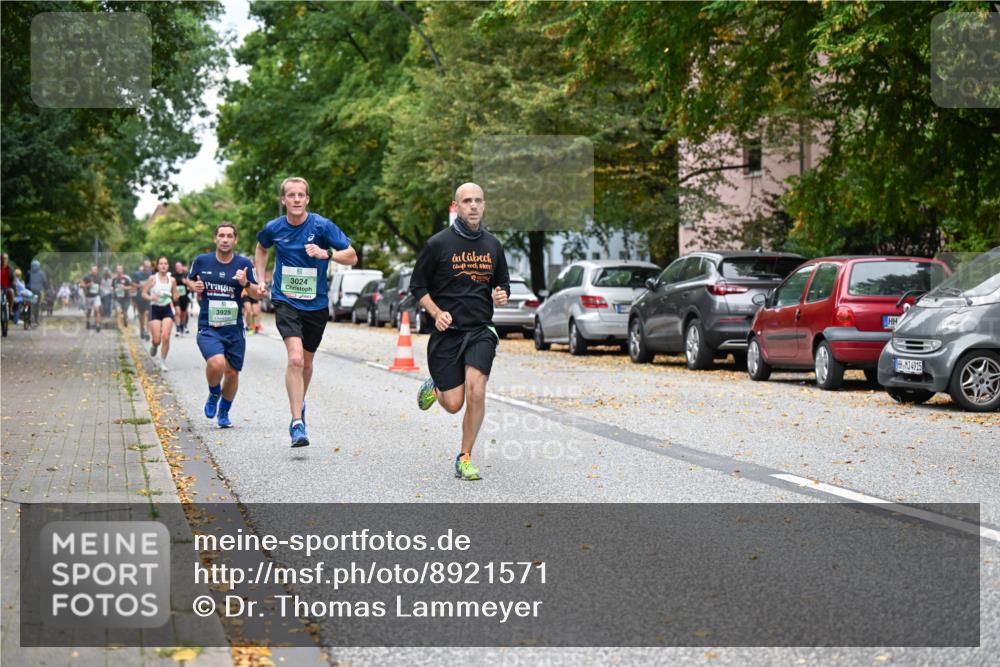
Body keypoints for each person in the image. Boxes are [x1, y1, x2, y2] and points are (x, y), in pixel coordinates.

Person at [412, 182, 510, 481]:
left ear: (484, 204)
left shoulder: (493, 245)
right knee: (454, 404)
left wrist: (501, 294)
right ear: (456, 206)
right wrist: (436, 313)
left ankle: (465, 456)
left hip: (481, 330)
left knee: (476, 389)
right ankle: (436, 388)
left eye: (478, 200)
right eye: (467, 201)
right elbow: (418, 286)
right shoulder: (438, 244)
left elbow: (503, 283)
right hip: (448, 333)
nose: (473, 205)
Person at [254, 176, 357, 447]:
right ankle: (297, 422)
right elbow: (262, 248)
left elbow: (352, 256)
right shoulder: (274, 227)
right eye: (291, 195)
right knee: (296, 359)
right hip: (285, 300)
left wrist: (327, 254)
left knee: (307, 364)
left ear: (307, 199)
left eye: (301, 195)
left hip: (316, 304)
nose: (297, 199)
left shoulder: (322, 226)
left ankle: (299, 404)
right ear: (284, 200)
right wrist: (260, 279)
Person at [188, 222, 258, 428]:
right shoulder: (202, 261)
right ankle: (213, 393)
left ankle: (224, 412)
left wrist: (245, 283)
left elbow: (257, 294)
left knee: (232, 373)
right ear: (215, 238)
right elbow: (190, 280)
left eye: (229, 236)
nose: (225, 239)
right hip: (208, 325)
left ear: (235, 240)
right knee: (217, 363)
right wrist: (195, 286)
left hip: (234, 327)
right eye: (221, 235)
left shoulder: (244, 264)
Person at [142, 256, 178, 371]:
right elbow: (143, 293)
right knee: (157, 340)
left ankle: (162, 362)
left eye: (165, 263)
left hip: (167, 309)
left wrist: (175, 296)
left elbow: (175, 294)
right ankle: (154, 345)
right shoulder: (153, 279)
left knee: (166, 336)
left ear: (168, 266)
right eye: (161, 263)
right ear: (157, 266)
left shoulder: (172, 280)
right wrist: (151, 297)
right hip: (155, 309)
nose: (163, 266)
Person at [132, 260, 152, 340]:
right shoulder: (137, 274)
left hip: (149, 296)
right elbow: (132, 283)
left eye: (148, 266)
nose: (147, 268)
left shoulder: (152, 275)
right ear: (143, 266)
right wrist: (139, 285)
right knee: (141, 315)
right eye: (146, 266)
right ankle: (142, 330)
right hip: (140, 297)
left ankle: (147, 331)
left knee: (147, 313)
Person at [79, 265, 102, 331]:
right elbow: (80, 285)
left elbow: (99, 285)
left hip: (96, 296)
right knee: (89, 311)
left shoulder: (99, 277)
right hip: (88, 296)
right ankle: (88, 322)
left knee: (97, 309)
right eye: (93, 269)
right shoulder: (86, 277)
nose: (95, 271)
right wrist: (88, 285)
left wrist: (99, 288)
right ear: (91, 270)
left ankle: (98, 324)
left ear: (97, 270)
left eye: (96, 269)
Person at [173, 261, 191, 336]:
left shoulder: (186, 275)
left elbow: (190, 286)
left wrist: (186, 282)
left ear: (181, 267)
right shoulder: (173, 276)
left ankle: (182, 326)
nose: (178, 268)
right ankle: (177, 329)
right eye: (176, 267)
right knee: (177, 312)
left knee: (183, 313)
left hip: (184, 296)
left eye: (179, 266)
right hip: (176, 297)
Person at [1, 254, 15, 324]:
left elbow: (13, 279)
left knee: (11, 292)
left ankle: (10, 309)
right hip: (0, 287)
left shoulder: (10, 269)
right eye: (3, 258)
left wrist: (14, 283)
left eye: (6, 258)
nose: (4, 260)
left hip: (8, 287)